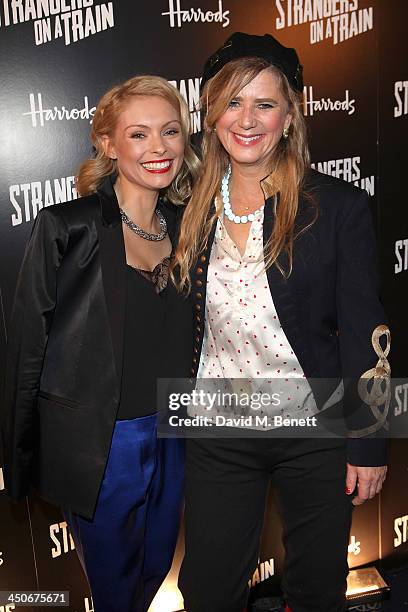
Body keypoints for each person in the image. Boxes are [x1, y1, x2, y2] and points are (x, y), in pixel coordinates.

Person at [173, 33, 390, 612]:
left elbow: (369, 331)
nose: (247, 120)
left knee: (318, 588)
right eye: (232, 103)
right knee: (209, 590)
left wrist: (371, 442)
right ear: (211, 113)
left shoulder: (337, 208)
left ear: (290, 115)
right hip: (220, 427)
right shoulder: (189, 205)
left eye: (265, 104)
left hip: (315, 428)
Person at [1, 75, 197, 612]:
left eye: (170, 132)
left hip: (176, 430)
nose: (158, 148)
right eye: (139, 134)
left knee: (157, 566)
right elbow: (26, 348)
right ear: (108, 145)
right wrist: (19, 464)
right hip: (105, 442)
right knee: (113, 586)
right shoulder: (68, 228)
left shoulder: (188, 227)